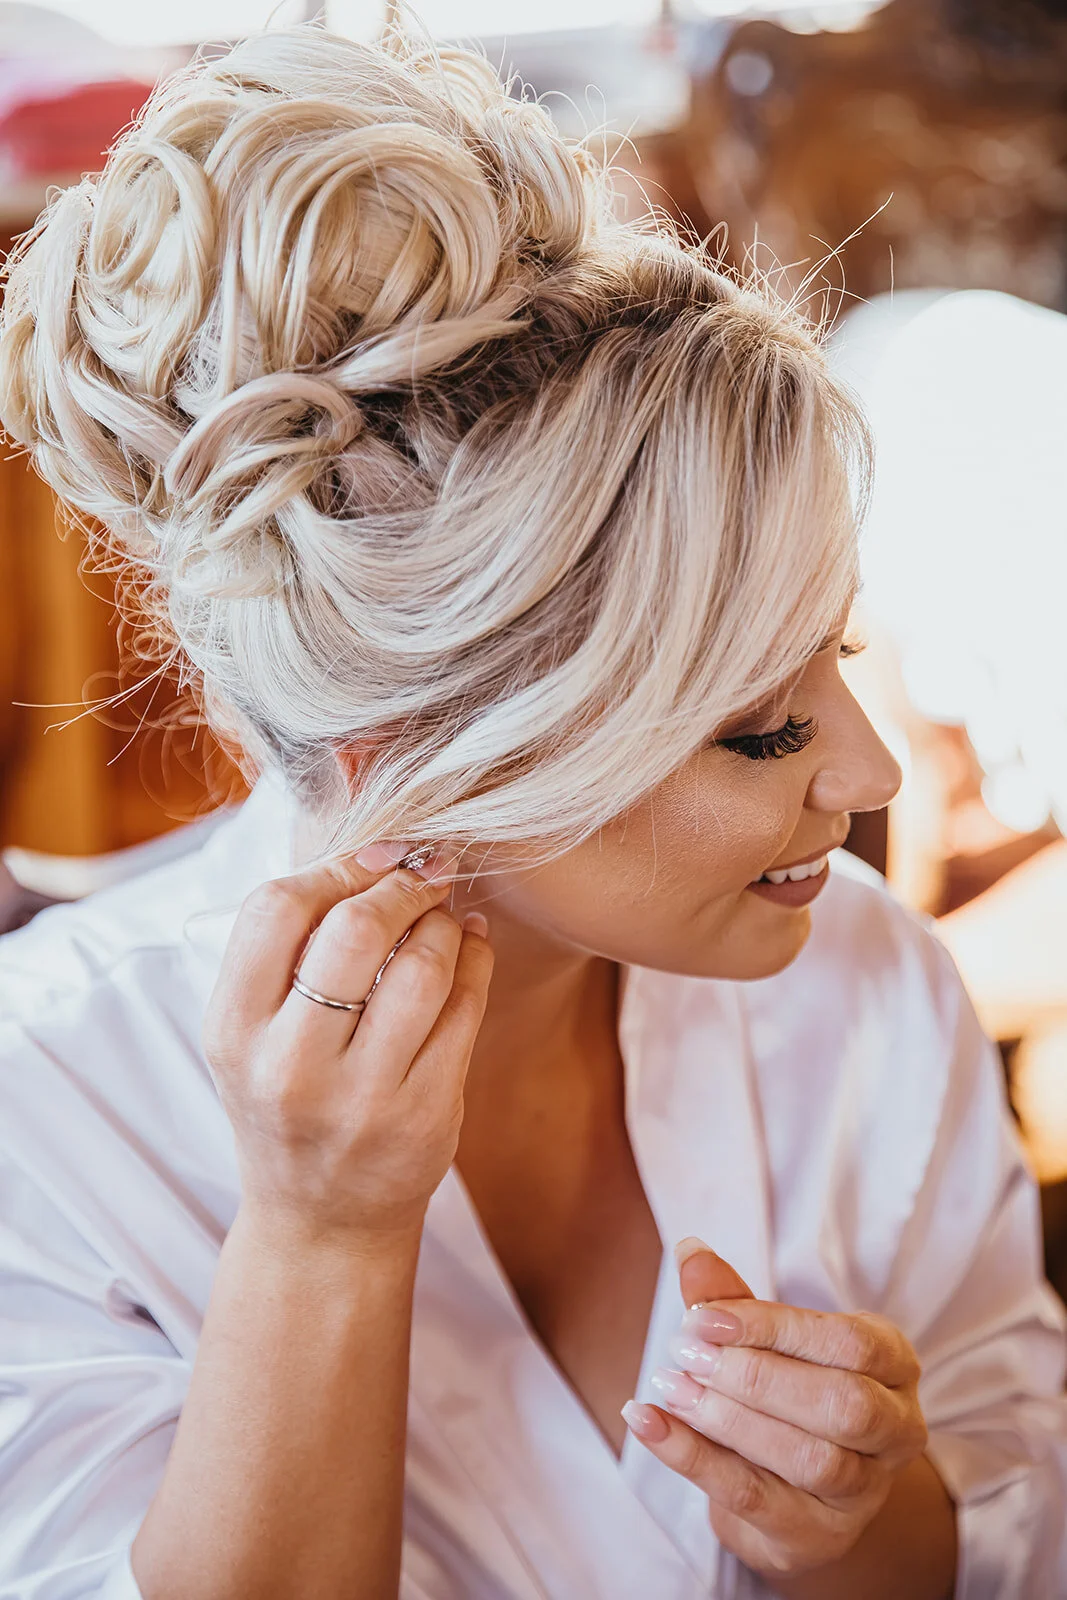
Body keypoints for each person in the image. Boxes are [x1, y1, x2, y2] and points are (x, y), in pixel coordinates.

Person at [0, 24, 1063, 1600]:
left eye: (836, 659)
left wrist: (866, 1525)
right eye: (759, 729)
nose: (871, 778)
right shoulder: (49, 1115)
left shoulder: (863, 988)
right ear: (418, 762)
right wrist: (321, 1237)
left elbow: (1009, 1534)